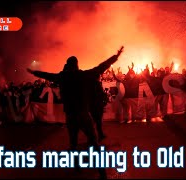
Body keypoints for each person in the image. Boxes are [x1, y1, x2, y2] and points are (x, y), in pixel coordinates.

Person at [27, 46, 124, 179]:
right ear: (77, 65)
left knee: (73, 142)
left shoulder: (62, 77)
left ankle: (76, 166)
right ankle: (102, 172)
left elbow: (47, 75)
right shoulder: (83, 75)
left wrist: (34, 73)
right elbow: (102, 66)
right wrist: (116, 56)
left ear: (67, 65)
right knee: (93, 142)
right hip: (84, 115)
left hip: (71, 116)